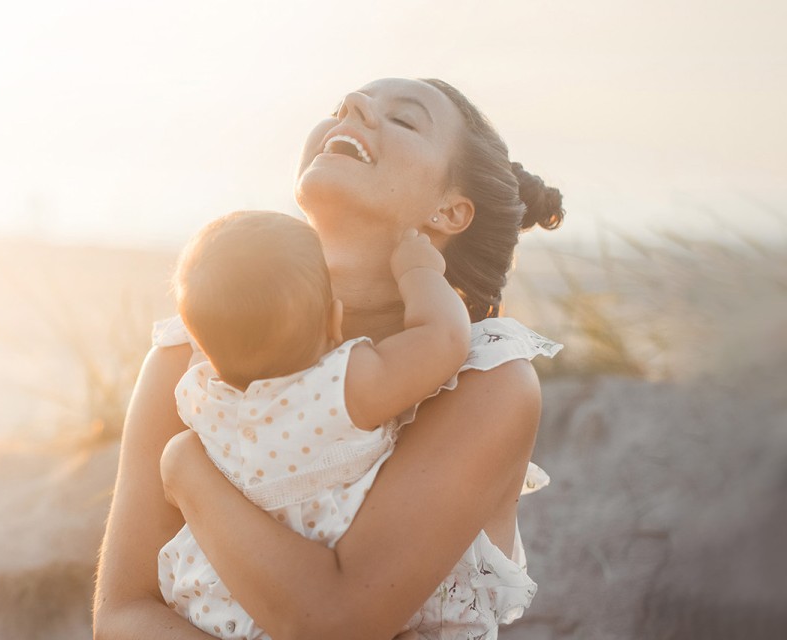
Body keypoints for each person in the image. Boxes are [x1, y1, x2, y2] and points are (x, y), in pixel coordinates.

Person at [93, 77, 566, 640]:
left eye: (405, 119)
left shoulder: (486, 383)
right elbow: (122, 617)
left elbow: (336, 620)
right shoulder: (191, 355)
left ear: (450, 211)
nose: (353, 107)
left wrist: (187, 471)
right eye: (343, 106)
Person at [159, 210, 474, 639]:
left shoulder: (200, 399)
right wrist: (419, 269)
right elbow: (445, 339)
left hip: (219, 606)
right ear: (334, 320)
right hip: (321, 599)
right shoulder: (341, 388)